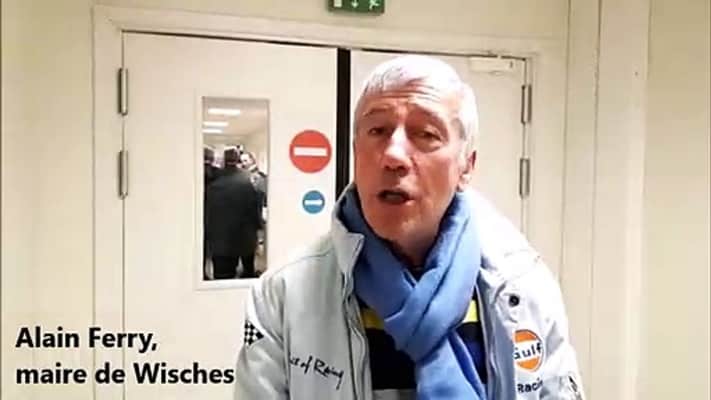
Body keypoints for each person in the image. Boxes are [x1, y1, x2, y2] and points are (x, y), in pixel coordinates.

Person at [234, 56, 584, 399]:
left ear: (466, 166)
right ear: (355, 152)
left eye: (426, 134)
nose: (393, 155)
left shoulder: (522, 283)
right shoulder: (284, 295)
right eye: (377, 131)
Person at [205, 148, 261, 279]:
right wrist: (257, 228)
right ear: (238, 160)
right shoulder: (248, 179)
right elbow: (255, 208)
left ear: (223, 160)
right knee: (247, 276)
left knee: (223, 277)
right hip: (245, 236)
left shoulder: (213, 180)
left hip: (220, 238)